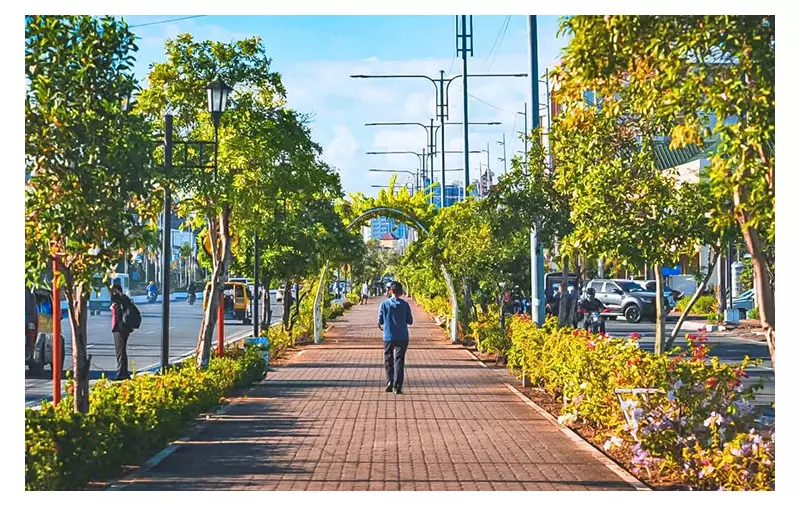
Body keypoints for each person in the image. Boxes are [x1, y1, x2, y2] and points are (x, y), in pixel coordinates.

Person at [378, 281, 413, 394]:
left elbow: (380, 321)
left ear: (390, 291)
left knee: (388, 359)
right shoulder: (405, 305)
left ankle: (389, 381)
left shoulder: (384, 304)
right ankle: (397, 386)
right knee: (399, 361)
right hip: (402, 336)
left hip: (388, 336)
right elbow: (410, 321)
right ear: (401, 292)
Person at [110, 280, 134, 381]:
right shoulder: (117, 302)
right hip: (117, 328)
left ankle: (121, 373)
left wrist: (120, 294)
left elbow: (127, 304)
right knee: (121, 351)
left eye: (114, 291)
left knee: (120, 351)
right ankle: (123, 372)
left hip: (121, 329)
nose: (112, 294)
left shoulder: (123, 299)